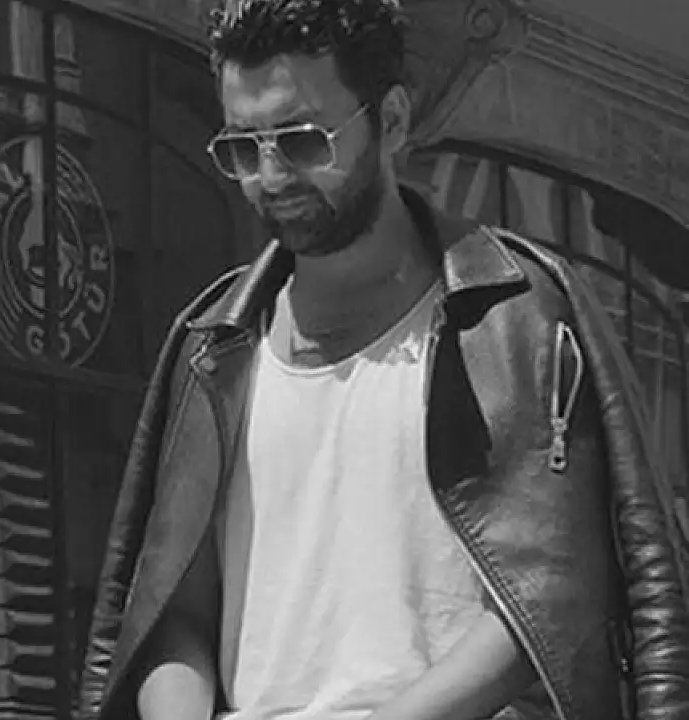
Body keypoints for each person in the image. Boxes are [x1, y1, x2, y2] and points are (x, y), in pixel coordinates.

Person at [76, 1, 689, 719]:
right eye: (243, 148)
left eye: (301, 140)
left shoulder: (515, 312)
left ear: (391, 120)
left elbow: (553, 591)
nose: (270, 176)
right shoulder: (212, 344)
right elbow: (170, 613)